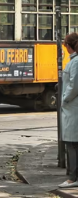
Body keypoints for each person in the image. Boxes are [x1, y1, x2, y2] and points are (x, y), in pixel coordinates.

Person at [61, 33, 78, 188]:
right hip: (72, 108)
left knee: (72, 143)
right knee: (72, 142)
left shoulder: (76, 62)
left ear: (68, 45)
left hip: (73, 108)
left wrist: (65, 99)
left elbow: (74, 85)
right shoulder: (74, 61)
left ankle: (73, 178)